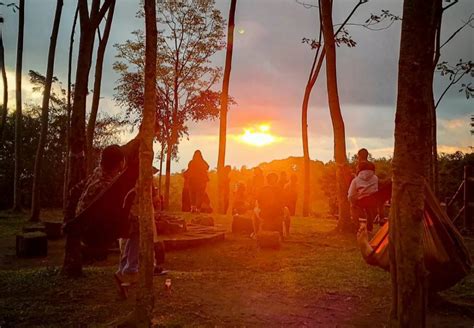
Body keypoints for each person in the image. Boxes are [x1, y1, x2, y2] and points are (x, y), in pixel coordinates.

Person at [73, 145, 125, 216]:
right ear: (121, 163)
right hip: (88, 225)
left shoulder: (95, 176)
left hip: (80, 222)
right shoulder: (107, 187)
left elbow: (73, 190)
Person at [348, 161, 378, 232]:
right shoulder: (375, 178)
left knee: (353, 208)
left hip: (361, 200)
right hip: (373, 200)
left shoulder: (356, 180)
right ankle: (369, 228)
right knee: (369, 211)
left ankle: (357, 226)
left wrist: (352, 201)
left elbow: (351, 195)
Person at [256, 173, 285, 237]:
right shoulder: (279, 189)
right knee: (286, 210)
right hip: (276, 213)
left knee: (255, 212)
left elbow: (259, 202)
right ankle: (286, 233)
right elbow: (282, 203)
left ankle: (256, 232)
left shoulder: (262, 189)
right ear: (276, 180)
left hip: (265, 213)